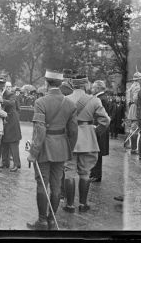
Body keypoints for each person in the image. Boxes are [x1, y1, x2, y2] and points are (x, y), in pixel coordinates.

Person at [26, 70, 78, 230]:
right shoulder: (70, 104)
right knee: (56, 186)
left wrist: (33, 153)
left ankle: (42, 221)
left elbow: (40, 130)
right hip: (61, 148)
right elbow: (74, 130)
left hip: (44, 149)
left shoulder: (41, 102)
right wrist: (67, 147)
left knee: (42, 184)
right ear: (60, 84)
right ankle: (50, 220)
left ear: (47, 83)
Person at [63, 74, 110, 212]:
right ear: (85, 85)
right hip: (87, 139)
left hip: (69, 140)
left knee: (69, 172)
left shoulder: (65, 99)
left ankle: (69, 205)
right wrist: (94, 132)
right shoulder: (94, 100)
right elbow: (105, 121)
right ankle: (83, 204)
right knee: (85, 173)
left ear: (74, 85)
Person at [90, 80, 111, 181]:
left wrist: (96, 127)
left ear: (98, 88)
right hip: (100, 128)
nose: (91, 89)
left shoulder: (101, 99)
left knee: (97, 153)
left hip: (99, 129)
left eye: (93, 87)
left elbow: (101, 116)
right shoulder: (101, 98)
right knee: (96, 152)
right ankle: (94, 173)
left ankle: (96, 175)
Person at [0, 83, 22, 171]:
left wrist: (1, 100)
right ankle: (5, 163)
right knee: (4, 143)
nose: (7, 88)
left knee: (13, 144)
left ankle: (17, 164)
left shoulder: (11, 95)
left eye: (9, 87)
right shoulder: (0, 94)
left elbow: (13, 103)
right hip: (6, 121)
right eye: (6, 87)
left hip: (12, 122)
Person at [125, 72, 141, 153]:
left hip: (132, 107)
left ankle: (133, 147)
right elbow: (135, 99)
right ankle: (134, 148)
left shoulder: (132, 85)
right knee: (134, 128)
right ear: (138, 79)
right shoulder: (137, 86)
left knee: (132, 128)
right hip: (135, 107)